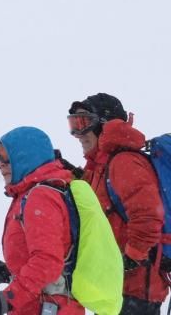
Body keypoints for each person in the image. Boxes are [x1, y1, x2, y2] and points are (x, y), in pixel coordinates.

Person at [67, 93, 169, 315]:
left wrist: (130, 259)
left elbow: (149, 216)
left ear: (104, 125)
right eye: (73, 124)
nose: (78, 134)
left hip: (136, 292)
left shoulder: (124, 162)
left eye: (83, 123)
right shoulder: (98, 168)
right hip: (114, 289)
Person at [0, 127, 83, 315]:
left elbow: (48, 263)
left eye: (5, 157)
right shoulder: (31, 194)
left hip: (47, 308)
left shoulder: (41, 197)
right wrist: (7, 271)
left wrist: (5, 300)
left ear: (25, 157)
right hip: (43, 305)